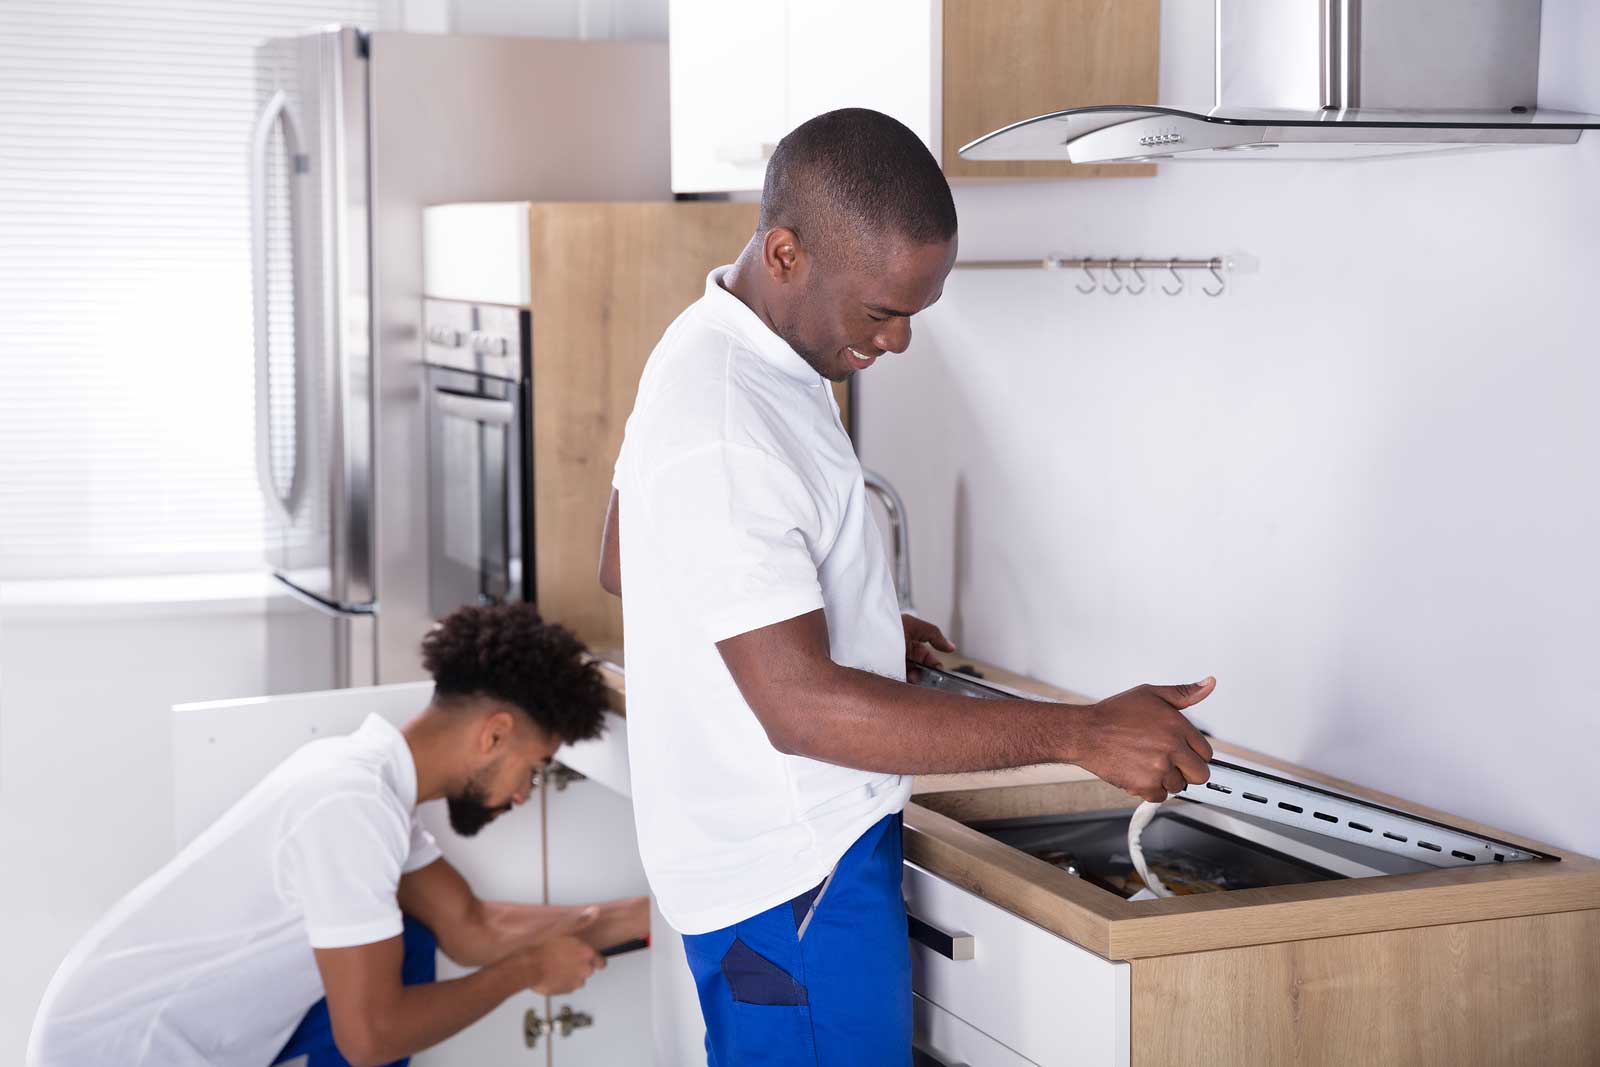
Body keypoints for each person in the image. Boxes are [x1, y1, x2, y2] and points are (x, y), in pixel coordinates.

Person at [599, 108, 1216, 1065]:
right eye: (880, 312)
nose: (898, 343)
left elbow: (625, 555)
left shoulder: (716, 344)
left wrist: (849, 618)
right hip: (797, 881)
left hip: (762, 872)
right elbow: (803, 710)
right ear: (787, 252)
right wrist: (1080, 730)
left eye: (915, 314)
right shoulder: (728, 418)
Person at [27, 603, 647, 1067]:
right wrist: (527, 971)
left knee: (404, 939)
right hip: (120, 1054)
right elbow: (371, 1037)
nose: (519, 794)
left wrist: (652, 915)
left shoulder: (367, 785)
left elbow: (473, 927)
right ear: (494, 734)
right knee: (382, 991)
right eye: (532, 770)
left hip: (153, 1044)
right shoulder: (349, 806)